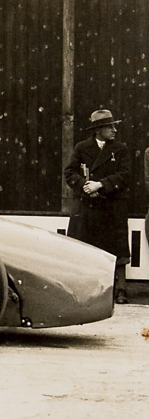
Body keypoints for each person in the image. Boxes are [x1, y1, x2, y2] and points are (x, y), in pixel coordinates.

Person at [64, 109, 131, 303]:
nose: (114, 130)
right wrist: (85, 186)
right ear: (98, 129)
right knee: (84, 247)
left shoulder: (120, 149)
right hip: (87, 205)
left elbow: (125, 175)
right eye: (110, 126)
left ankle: (120, 289)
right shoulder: (81, 148)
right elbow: (70, 172)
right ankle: (85, 289)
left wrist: (100, 185)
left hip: (112, 204)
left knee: (117, 247)